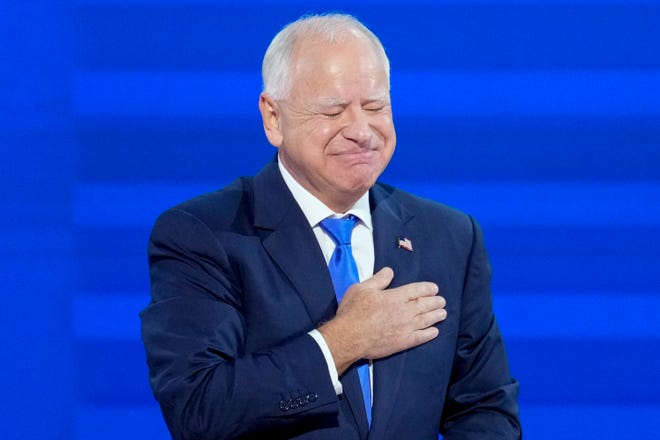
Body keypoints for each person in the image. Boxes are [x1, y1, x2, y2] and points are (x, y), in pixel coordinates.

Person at [141, 13, 521, 440]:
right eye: (333, 110)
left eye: (376, 106)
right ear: (273, 118)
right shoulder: (204, 235)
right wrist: (342, 341)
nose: (361, 130)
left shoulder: (450, 236)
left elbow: (485, 410)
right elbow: (198, 411)